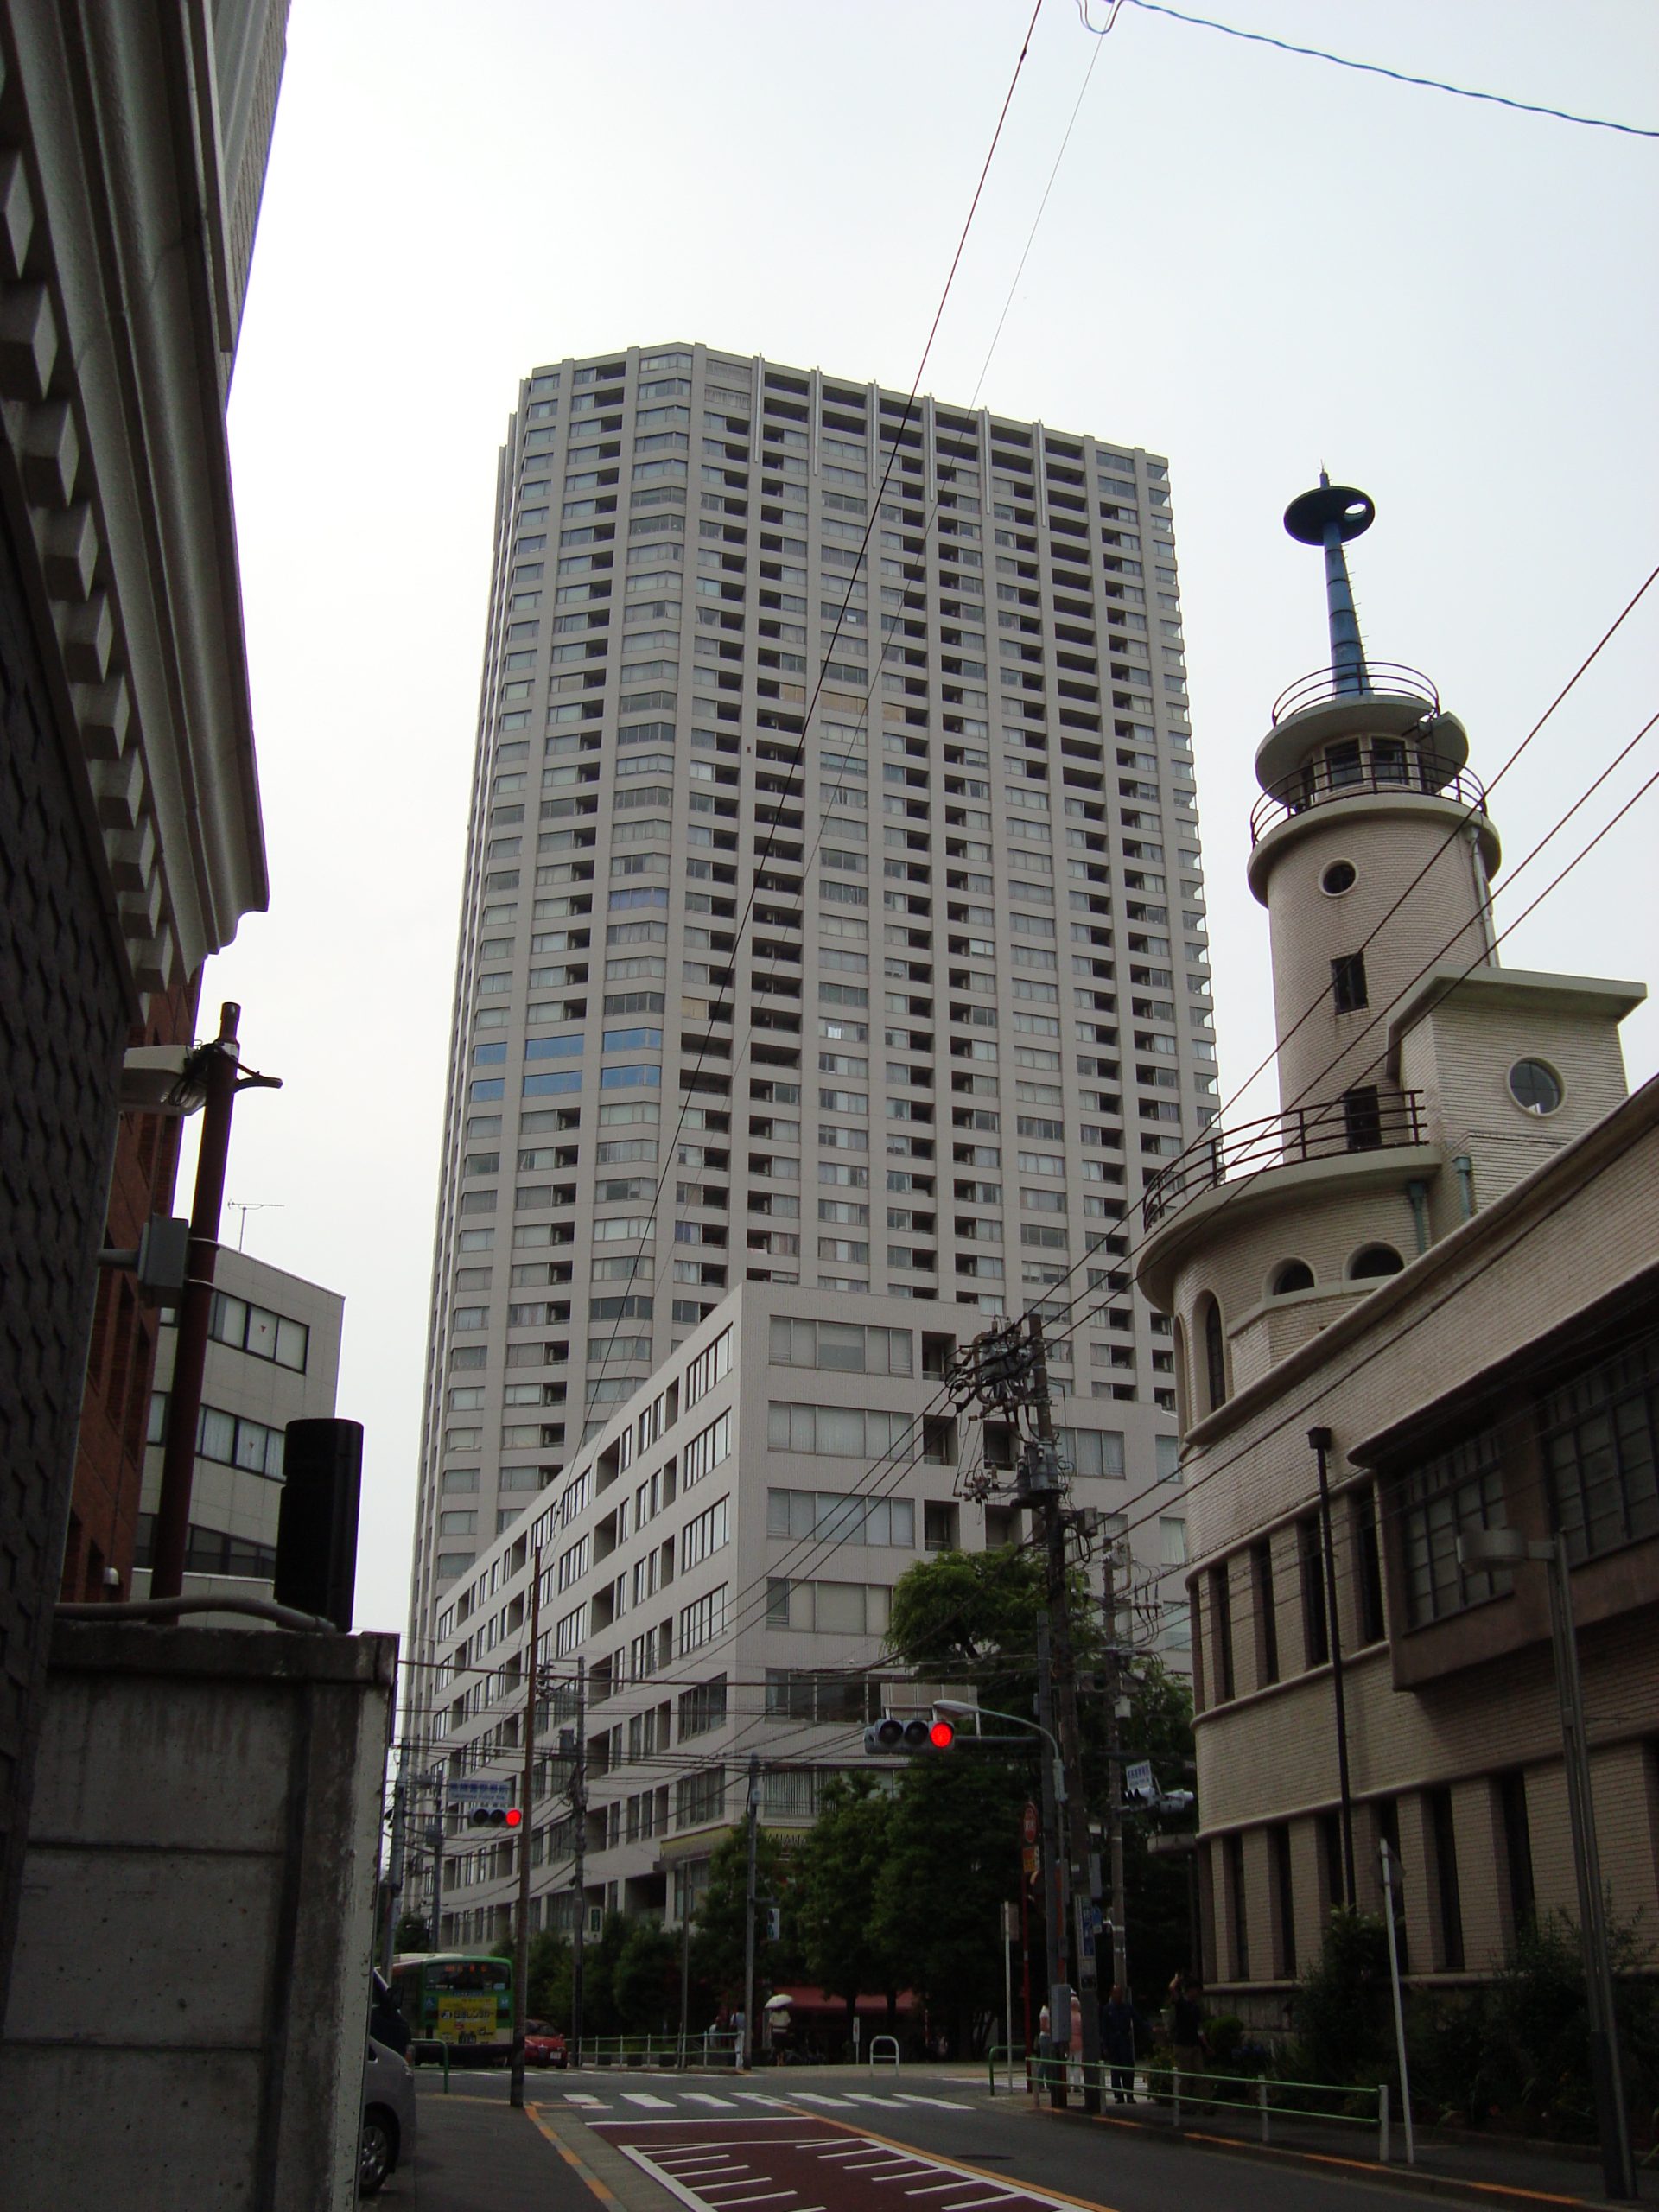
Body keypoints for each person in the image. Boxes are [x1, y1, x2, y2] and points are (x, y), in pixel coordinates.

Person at [1102, 1984, 1136, 2103]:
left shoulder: (1127, 2008)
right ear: (1111, 1994)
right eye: (1115, 1993)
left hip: (1124, 2040)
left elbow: (1137, 2019)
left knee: (1128, 2069)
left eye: (1119, 1993)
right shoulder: (1107, 2009)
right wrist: (1105, 2046)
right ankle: (1119, 2095)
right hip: (1113, 2042)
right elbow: (1104, 2029)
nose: (1117, 1995)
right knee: (1115, 2070)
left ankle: (1130, 2094)